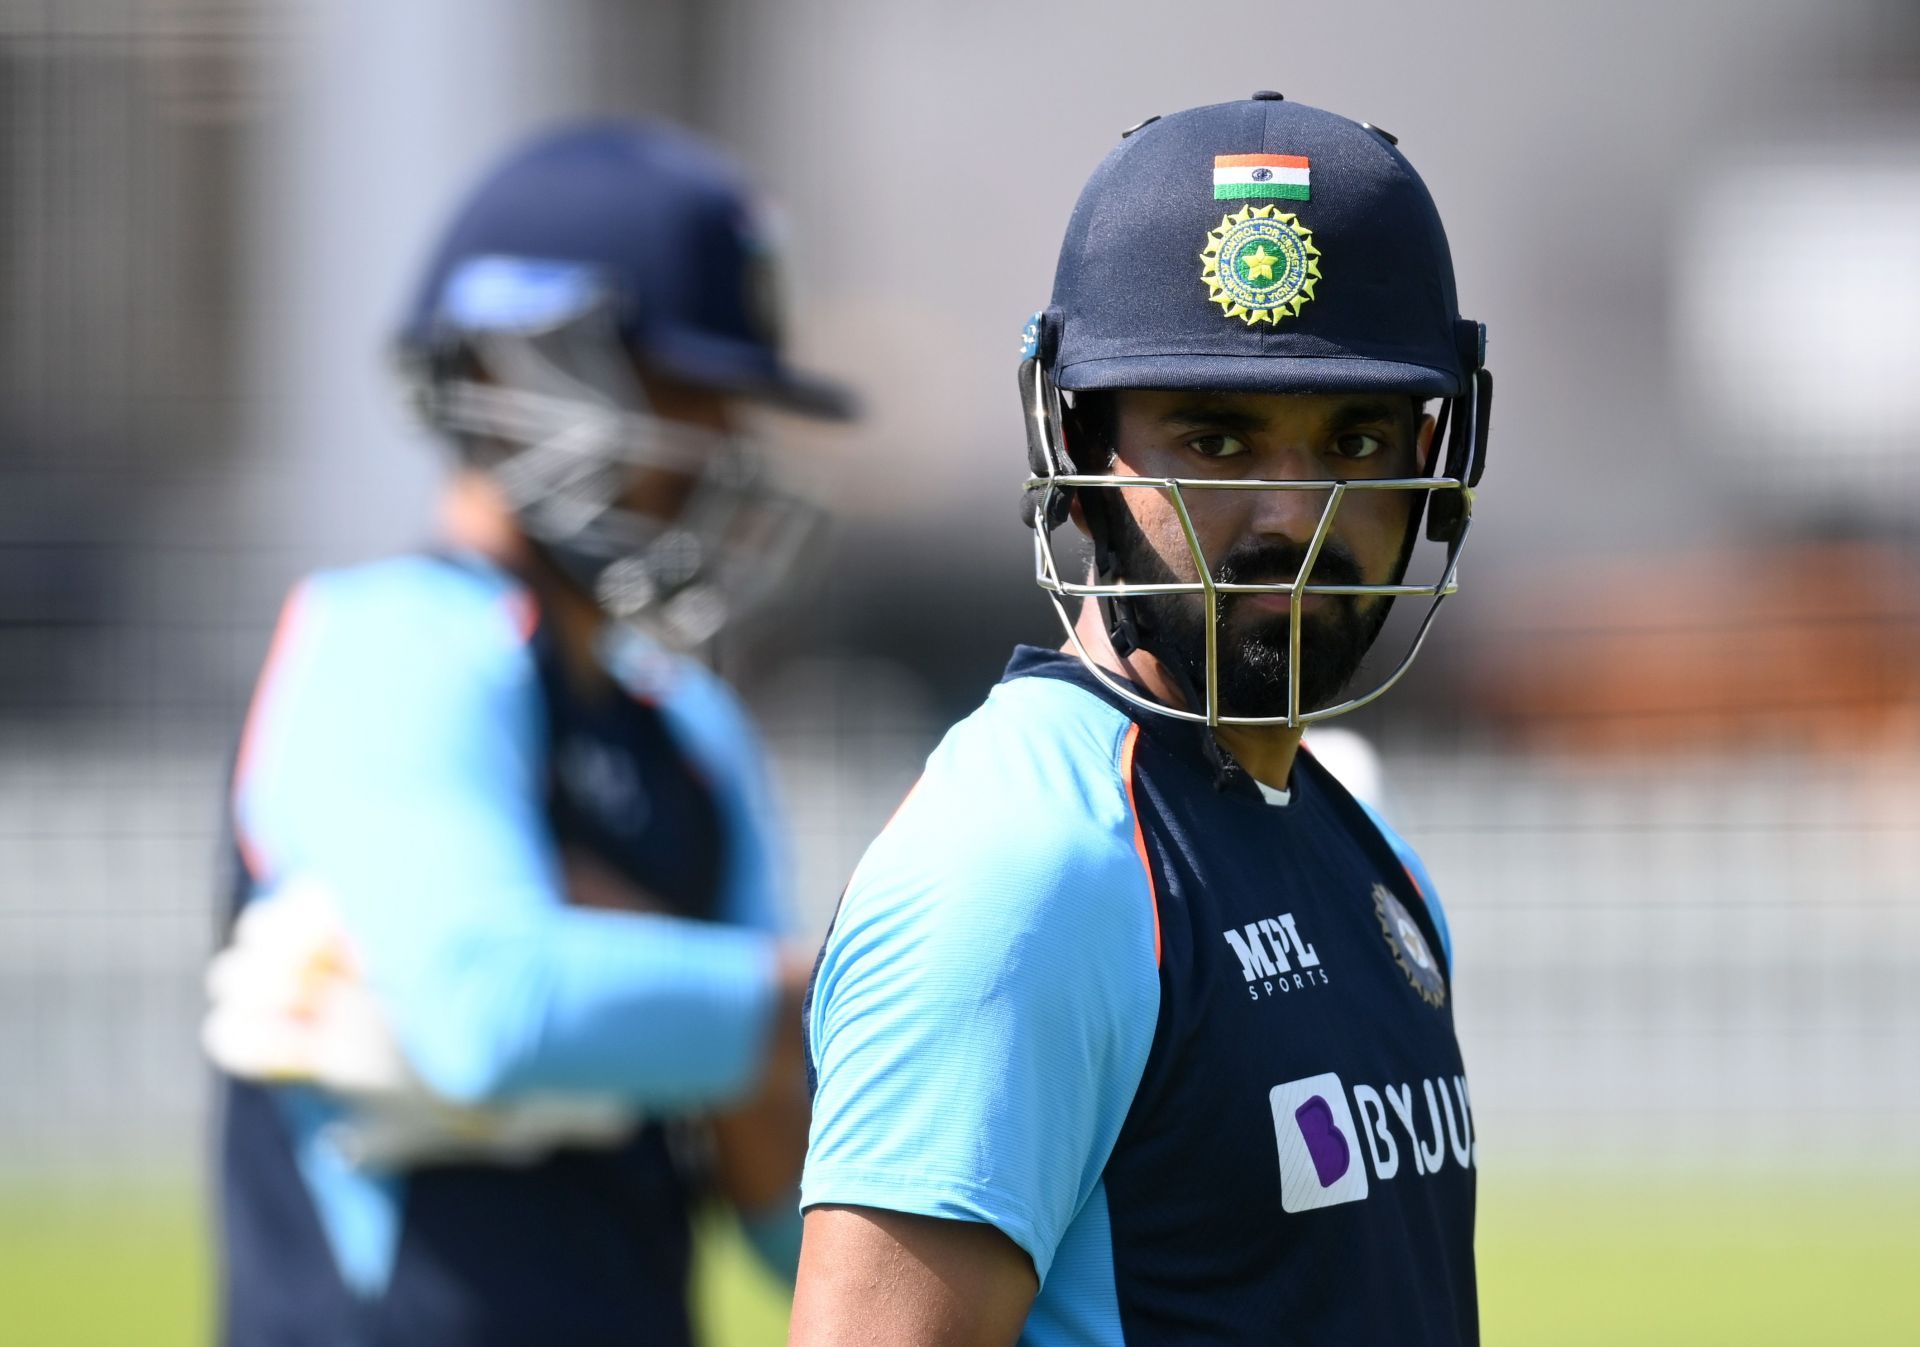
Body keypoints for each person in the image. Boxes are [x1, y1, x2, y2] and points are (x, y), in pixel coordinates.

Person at [791, 93, 1491, 1346]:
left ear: (1437, 461)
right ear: (1077, 442)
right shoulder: (1020, 876)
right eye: (1216, 439)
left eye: (1357, 438)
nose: (1292, 514)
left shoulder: (1363, 853)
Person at [204, 120, 854, 1347]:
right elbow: (490, 1011)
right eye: (683, 389)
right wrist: (836, 993)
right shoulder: (396, 641)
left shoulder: (687, 721)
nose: (718, 445)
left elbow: (792, 1219)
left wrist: (703, 1003)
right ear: (514, 371)